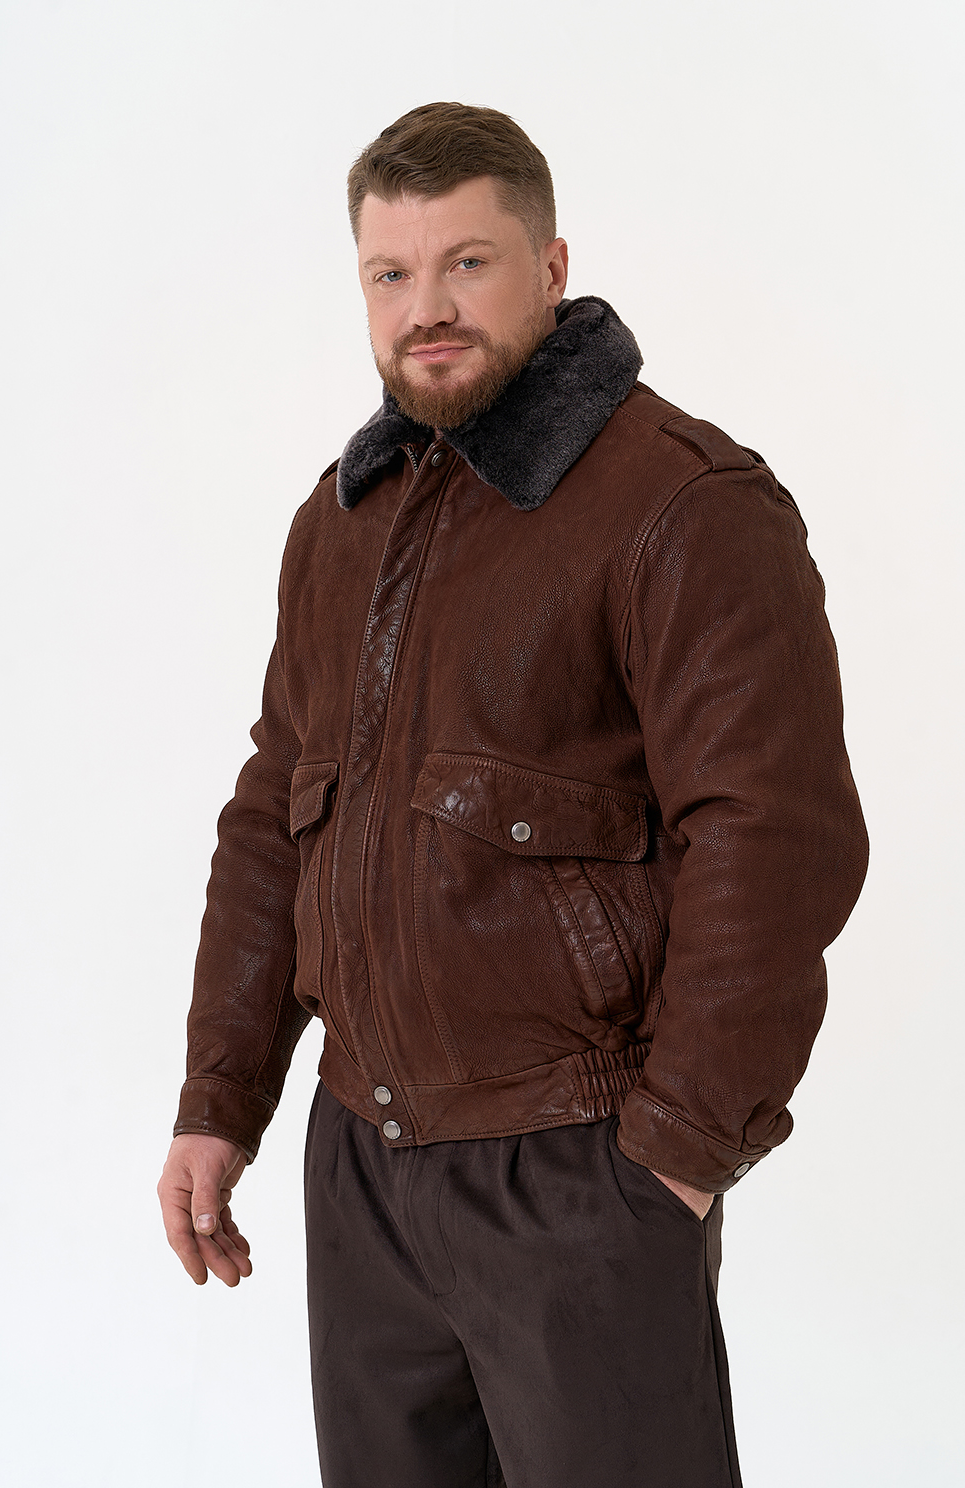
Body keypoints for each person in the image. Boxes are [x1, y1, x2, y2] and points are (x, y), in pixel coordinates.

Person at [157, 102, 868, 1487]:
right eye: (391, 272)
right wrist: (219, 1100)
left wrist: (674, 1155)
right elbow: (273, 816)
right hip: (362, 1167)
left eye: (467, 263)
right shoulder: (341, 519)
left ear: (551, 266)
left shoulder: (684, 503)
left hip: (577, 1165)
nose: (426, 307)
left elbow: (773, 840)